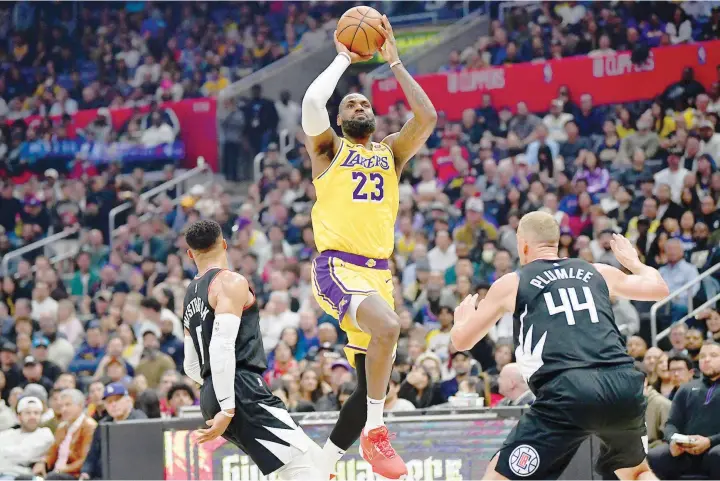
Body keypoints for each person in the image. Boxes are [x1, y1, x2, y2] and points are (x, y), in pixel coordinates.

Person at [301, 15, 436, 481]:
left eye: (364, 102)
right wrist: (343, 55)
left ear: (373, 117)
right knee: (390, 328)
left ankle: (321, 467)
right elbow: (313, 99)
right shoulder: (327, 150)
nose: (358, 105)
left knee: (367, 387)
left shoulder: (391, 153)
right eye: (350, 104)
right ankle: (377, 434)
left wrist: (394, 61)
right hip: (336, 267)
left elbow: (428, 118)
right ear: (339, 120)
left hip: (379, 274)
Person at [451, 211, 670, 480]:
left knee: (499, 476)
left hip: (568, 389)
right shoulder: (597, 271)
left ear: (523, 244)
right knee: (636, 473)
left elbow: (462, 341)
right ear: (556, 242)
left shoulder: (513, 282)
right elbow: (659, 289)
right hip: (622, 384)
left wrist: (461, 321)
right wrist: (634, 262)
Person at [180, 220, 324, 480]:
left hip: (213, 392)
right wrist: (228, 407)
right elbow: (221, 346)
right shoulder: (229, 282)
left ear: (190, 254)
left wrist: (216, 393)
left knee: (319, 465)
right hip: (240, 390)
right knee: (301, 469)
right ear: (224, 244)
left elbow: (191, 365)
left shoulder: (190, 294)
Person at [647, 342, 720, 479]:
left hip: (715, 448)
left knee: (717, 455)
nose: (707, 359)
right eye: (703, 356)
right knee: (655, 457)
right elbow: (671, 424)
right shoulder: (686, 389)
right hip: (686, 450)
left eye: (714, 355)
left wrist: (710, 441)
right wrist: (673, 440)